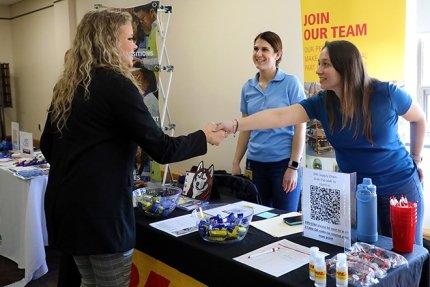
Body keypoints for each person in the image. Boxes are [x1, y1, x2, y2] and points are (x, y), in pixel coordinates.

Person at [40, 9, 226, 287]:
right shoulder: (117, 85)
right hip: (102, 216)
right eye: (129, 38)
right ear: (109, 41)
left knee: (90, 283)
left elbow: (47, 147)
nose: (135, 45)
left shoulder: (69, 85)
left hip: (68, 211)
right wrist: (204, 136)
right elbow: (162, 149)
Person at [216, 40, 426, 245]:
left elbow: (419, 119)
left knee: (407, 253)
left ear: (346, 67)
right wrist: (235, 125)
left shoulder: (386, 93)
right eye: (318, 63)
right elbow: (280, 116)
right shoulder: (322, 102)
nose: (318, 70)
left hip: (400, 187)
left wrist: (416, 158)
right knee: (369, 253)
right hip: (359, 191)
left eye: (325, 64)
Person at [232, 31, 305, 212]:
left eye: (265, 49)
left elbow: (300, 127)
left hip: (283, 165)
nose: (258, 54)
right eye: (256, 48)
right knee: (257, 220)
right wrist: (236, 162)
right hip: (255, 165)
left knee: (284, 222)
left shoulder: (291, 83)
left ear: (277, 54)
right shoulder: (247, 87)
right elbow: (245, 129)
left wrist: (293, 167)